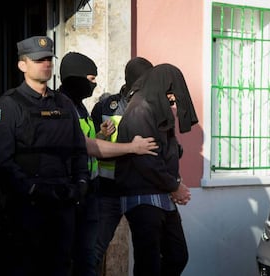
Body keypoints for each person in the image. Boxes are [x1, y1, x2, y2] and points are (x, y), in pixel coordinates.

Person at [0, 36, 89, 276]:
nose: (45, 64)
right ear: (22, 65)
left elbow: (78, 149)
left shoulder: (64, 103)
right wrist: (32, 190)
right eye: (38, 60)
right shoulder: (9, 106)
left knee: (61, 267)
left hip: (63, 204)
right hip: (27, 209)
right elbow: (1, 160)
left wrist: (82, 182)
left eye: (48, 59)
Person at [58, 52, 158, 276]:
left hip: (124, 189)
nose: (94, 84)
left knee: (144, 252)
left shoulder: (80, 106)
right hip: (92, 192)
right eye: (91, 79)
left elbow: (91, 143)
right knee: (87, 254)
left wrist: (102, 136)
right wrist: (132, 147)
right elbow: (88, 147)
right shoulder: (81, 107)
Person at [115, 63, 199, 276]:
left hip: (162, 196)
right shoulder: (140, 109)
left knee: (177, 256)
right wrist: (175, 186)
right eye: (170, 92)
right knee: (148, 263)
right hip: (143, 198)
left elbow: (164, 151)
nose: (173, 99)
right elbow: (147, 160)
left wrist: (174, 182)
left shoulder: (154, 108)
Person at [90, 56, 154, 274]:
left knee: (146, 253)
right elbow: (92, 143)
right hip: (109, 191)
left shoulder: (153, 106)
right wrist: (102, 135)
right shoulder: (106, 106)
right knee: (95, 250)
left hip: (140, 191)